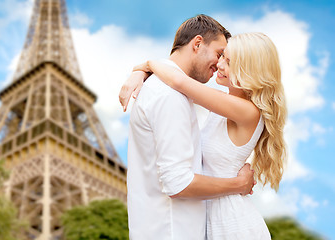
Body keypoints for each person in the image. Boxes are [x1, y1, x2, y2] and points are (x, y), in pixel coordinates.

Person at [120, 32, 287, 239]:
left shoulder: (247, 111)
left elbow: (179, 83)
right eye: (222, 56)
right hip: (212, 217)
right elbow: (178, 85)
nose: (220, 64)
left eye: (229, 61)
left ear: (249, 70)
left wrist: (145, 65)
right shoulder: (224, 104)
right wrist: (141, 73)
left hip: (232, 224)